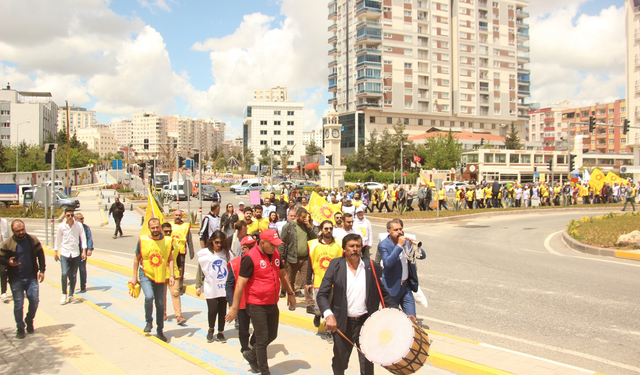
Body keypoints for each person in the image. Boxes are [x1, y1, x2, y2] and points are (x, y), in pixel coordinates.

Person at [317, 234, 399, 375]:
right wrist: (328, 315)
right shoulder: (335, 265)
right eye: (351, 246)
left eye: (358, 246)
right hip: (343, 325)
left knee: (367, 364)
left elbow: (383, 294)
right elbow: (322, 294)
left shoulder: (372, 266)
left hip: (366, 324)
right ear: (344, 249)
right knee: (339, 363)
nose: (355, 249)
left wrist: (400, 315)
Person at [224, 229, 296, 375]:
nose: (276, 248)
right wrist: (234, 308)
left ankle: (250, 355)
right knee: (262, 339)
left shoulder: (275, 254)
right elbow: (240, 284)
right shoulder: (250, 258)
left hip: (272, 302)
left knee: (272, 335)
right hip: (256, 304)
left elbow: (282, 274)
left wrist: (290, 293)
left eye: (277, 245)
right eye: (273, 245)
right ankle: (264, 370)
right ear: (263, 243)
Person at [130, 218, 175, 342]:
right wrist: (134, 277)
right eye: (152, 228)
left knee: (160, 304)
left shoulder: (167, 241)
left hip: (160, 275)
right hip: (146, 273)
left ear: (160, 227)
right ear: (149, 228)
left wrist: (172, 275)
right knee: (149, 296)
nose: (155, 230)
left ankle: (160, 330)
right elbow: (136, 259)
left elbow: (170, 259)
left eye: (157, 227)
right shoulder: (143, 240)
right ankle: (148, 321)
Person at [0, 220, 46, 339]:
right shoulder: (7, 244)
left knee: (34, 300)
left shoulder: (32, 240)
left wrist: (42, 270)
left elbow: (40, 254)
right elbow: (1, 258)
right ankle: (20, 327)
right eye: (18, 231)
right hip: (16, 279)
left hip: (31, 278)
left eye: (22, 229)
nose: (21, 232)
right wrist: (8, 262)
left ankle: (29, 319)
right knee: (18, 304)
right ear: (13, 231)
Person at [377, 219, 426, 317]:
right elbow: (388, 263)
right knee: (392, 319)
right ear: (389, 232)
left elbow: (422, 256)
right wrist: (399, 246)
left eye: (400, 229)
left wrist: (416, 247)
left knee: (411, 319)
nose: (399, 232)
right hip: (391, 288)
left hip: (406, 288)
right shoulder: (384, 245)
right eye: (395, 230)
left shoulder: (407, 243)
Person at [305, 220, 343, 335]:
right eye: (326, 228)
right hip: (318, 281)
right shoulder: (313, 245)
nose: (328, 231)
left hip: (334, 283)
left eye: (330, 228)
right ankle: (317, 315)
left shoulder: (339, 244)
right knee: (319, 307)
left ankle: (328, 331)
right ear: (321, 230)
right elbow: (310, 264)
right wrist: (307, 281)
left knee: (330, 308)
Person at [278, 207, 317, 312]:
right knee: (290, 280)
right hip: (291, 259)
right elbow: (282, 242)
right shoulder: (288, 226)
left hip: (305, 259)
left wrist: (309, 227)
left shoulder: (306, 226)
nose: (305, 219)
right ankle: (292, 301)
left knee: (307, 281)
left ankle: (310, 304)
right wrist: (281, 257)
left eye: (306, 217)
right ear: (297, 216)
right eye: (303, 217)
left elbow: (314, 238)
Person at [196, 230, 231, 343]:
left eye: (221, 242)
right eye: (216, 242)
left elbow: (231, 269)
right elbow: (200, 270)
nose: (219, 245)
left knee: (222, 310)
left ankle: (220, 332)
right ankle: (211, 329)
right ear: (212, 241)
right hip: (210, 286)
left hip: (223, 287)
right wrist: (198, 285)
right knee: (212, 310)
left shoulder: (227, 253)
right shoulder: (205, 253)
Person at [226, 236, 257, 353]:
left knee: (259, 328)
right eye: (250, 247)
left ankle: (253, 343)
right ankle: (244, 349)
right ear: (243, 248)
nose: (254, 249)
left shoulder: (259, 261)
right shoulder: (234, 264)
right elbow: (229, 285)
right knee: (244, 329)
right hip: (242, 303)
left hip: (255, 301)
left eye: (254, 246)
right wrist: (231, 304)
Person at [54, 208, 87, 305]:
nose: (70, 217)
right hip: (64, 253)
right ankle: (64, 293)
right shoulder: (61, 227)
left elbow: (83, 238)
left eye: (72, 215)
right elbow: (58, 239)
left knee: (73, 275)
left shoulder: (79, 226)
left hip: (75, 253)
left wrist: (84, 251)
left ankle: (71, 295)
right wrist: (56, 252)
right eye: (68, 215)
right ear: (65, 216)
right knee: (64, 273)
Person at [161, 223, 185, 325]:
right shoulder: (158, 242)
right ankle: (163, 313)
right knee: (162, 294)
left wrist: (180, 269)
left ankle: (178, 315)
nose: (168, 233)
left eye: (169, 231)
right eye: (165, 231)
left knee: (175, 293)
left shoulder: (174, 241)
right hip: (161, 271)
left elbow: (179, 255)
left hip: (173, 271)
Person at [172, 210, 195, 294]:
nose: (177, 217)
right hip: (172, 251)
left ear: (181, 216)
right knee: (172, 268)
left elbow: (189, 240)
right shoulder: (170, 225)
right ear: (173, 216)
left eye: (179, 215)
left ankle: (179, 287)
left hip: (181, 251)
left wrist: (191, 252)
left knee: (180, 269)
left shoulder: (186, 226)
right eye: (176, 215)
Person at [75, 213, 93, 294]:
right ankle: (71, 283)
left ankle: (83, 286)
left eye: (83, 218)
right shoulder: (73, 227)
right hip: (73, 251)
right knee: (72, 270)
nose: (83, 220)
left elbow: (89, 238)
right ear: (76, 220)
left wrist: (89, 249)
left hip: (83, 252)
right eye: (81, 219)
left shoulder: (86, 228)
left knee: (82, 269)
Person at [0, 215, 11, 303]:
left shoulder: (4, 222)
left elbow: (8, 236)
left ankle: (3, 292)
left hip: (3, 252)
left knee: (3, 272)